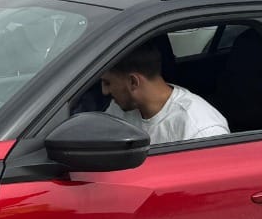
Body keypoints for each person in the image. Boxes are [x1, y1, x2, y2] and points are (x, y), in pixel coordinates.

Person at [98, 42, 229, 144]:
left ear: (133, 82)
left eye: (107, 83)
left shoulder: (199, 130)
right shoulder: (119, 108)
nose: (104, 92)